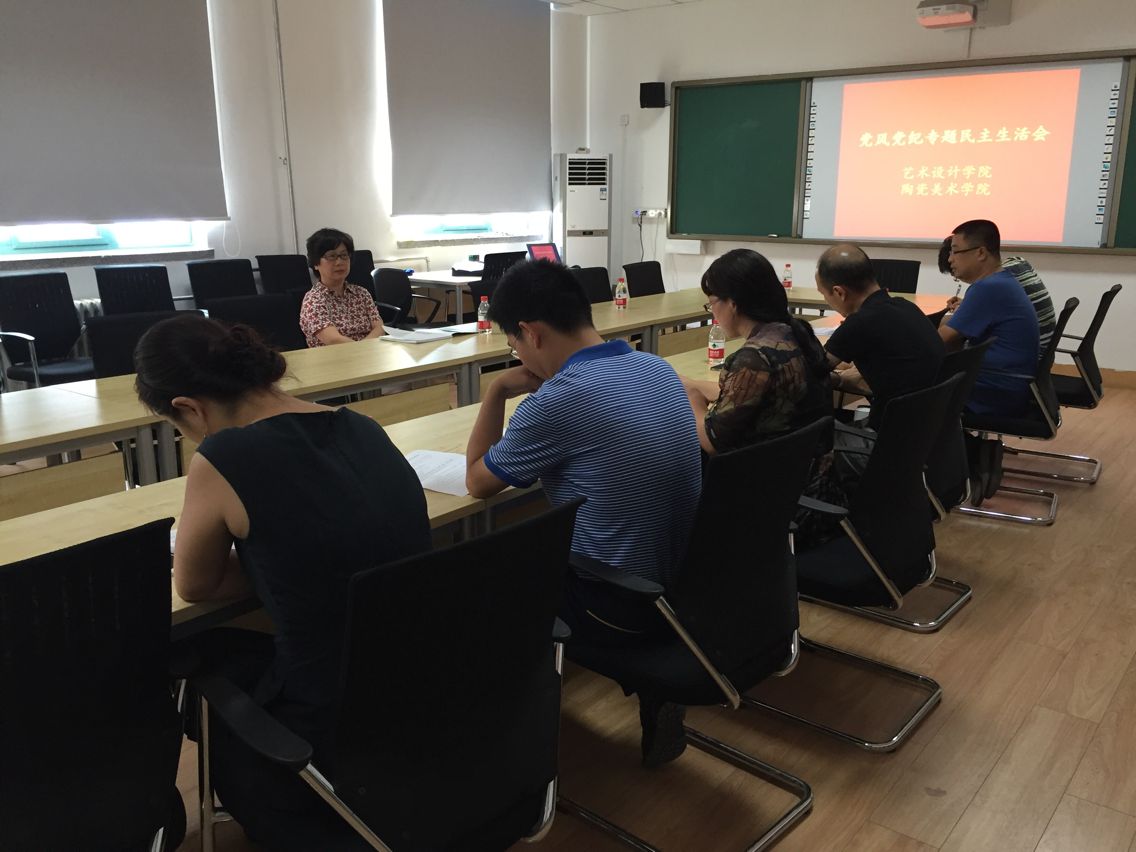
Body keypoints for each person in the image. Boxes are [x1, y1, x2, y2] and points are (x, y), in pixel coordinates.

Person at [134, 314, 430, 850]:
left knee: (195, 652)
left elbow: (194, 584)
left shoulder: (223, 456)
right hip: (414, 691)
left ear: (188, 408)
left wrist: (269, 561)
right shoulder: (361, 426)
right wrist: (281, 558)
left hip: (322, 723)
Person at [464, 259, 702, 768]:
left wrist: (497, 389)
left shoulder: (558, 399)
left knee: (476, 575)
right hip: (686, 588)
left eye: (514, 345)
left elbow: (478, 482)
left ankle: (506, 751)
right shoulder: (657, 369)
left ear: (531, 333)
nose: (518, 356)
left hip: (615, 607)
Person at [680, 248, 844, 544]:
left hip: (773, 502)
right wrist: (693, 383)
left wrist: (692, 397)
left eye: (712, 303)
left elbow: (713, 441)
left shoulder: (754, 358)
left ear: (732, 303)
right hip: (815, 486)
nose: (712, 312)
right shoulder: (794, 332)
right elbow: (761, 396)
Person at [816, 244, 944, 430]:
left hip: (887, 433)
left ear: (839, 292)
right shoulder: (906, 306)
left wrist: (837, 378)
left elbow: (813, 371)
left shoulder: (859, 323)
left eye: (824, 294)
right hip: (929, 427)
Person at [940, 220, 1041, 417]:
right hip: (1007, 382)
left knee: (910, 380)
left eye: (955, 251)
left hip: (995, 389)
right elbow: (951, 328)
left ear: (980, 253)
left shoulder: (987, 288)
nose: (950, 259)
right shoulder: (1001, 280)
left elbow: (941, 338)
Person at [938, 236, 1057, 357]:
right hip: (1038, 348)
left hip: (1025, 356)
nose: (959, 277)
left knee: (947, 337)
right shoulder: (1017, 263)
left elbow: (943, 337)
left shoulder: (992, 283)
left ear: (979, 253)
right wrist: (967, 303)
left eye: (956, 274)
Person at [299, 227, 385, 347]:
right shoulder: (313, 300)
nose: (339, 262)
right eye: (331, 256)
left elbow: (379, 328)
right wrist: (364, 350)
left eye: (344, 255)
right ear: (315, 264)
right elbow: (334, 340)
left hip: (369, 353)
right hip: (334, 357)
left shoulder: (361, 293)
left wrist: (366, 351)